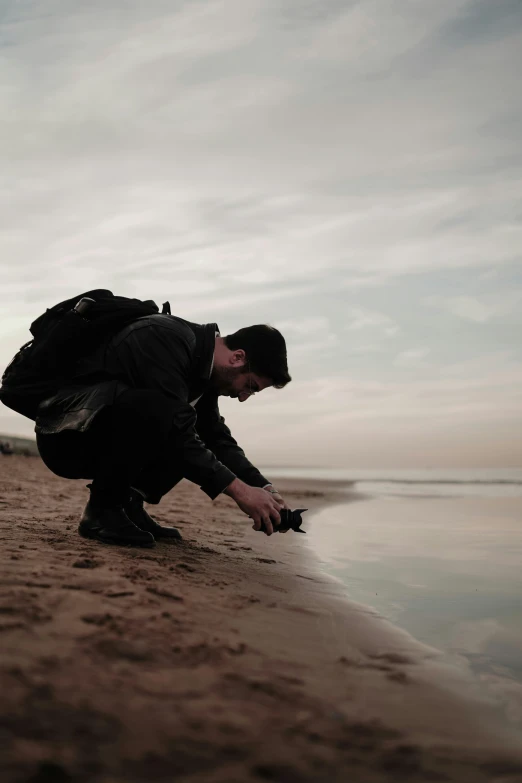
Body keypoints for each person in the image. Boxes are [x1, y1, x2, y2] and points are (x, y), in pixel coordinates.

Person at [34, 312, 292, 548]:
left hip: (99, 430)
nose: (244, 397)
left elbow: (217, 439)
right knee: (169, 415)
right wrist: (241, 492)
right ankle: (102, 510)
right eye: (250, 386)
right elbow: (174, 431)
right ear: (237, 357)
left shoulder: (203, 370)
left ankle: (128, 505)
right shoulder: (166, 338)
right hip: (66, 433)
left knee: (185, 423)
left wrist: (264, 488)